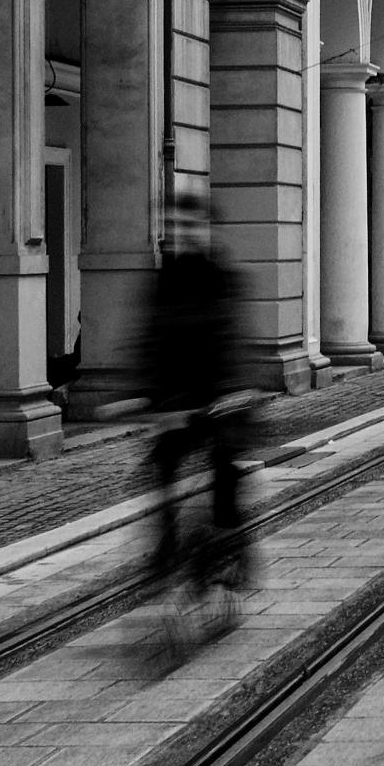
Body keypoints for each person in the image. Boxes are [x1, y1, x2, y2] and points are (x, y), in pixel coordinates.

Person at [140, 190, 252, 586]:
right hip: (178, 399)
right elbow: (150, 337)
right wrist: (143, 394)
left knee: (225, 467)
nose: (179, 234)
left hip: (222, 396)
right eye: (172, 226)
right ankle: (167, 544)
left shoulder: (222, 277)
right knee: (161, 465)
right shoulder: (164, 279)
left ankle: (231, 544)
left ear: (206, 229)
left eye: (187, 226)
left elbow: (230, 336)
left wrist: (229, 391)